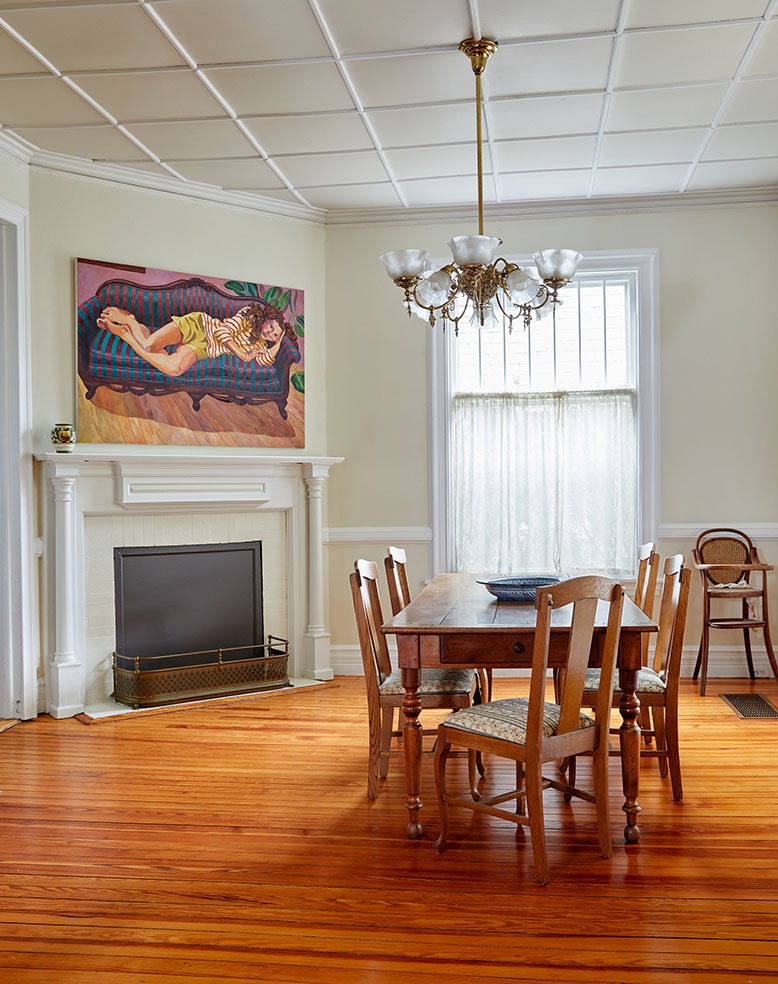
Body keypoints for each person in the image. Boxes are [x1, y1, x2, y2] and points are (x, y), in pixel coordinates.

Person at [96, 302, 286, 377]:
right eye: (271, 328)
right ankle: (129, 320)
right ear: (267, 319)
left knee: (174, 369)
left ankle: (126, 333)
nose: (270, 334)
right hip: (200, 325)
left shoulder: (261, 344)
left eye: (275, 335)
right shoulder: (250, 316)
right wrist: (243, 355)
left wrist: (279, 343)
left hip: (205, 348)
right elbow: (223, 333)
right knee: (148, 345)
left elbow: (265, 359)